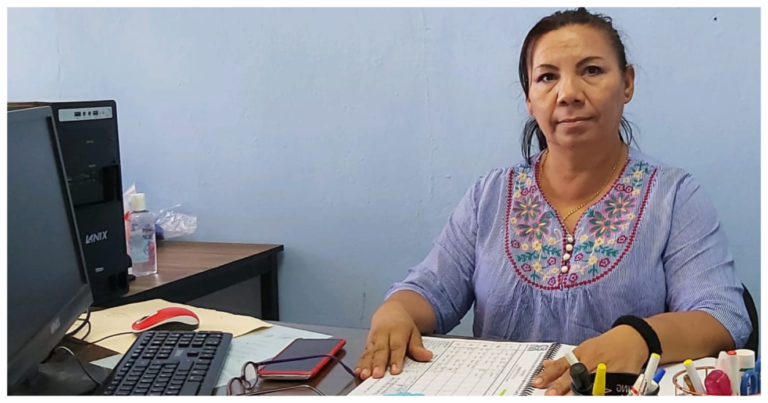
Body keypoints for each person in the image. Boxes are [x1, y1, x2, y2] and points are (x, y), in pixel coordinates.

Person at [354, 7, 752, 396]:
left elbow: (722, 315)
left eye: (592, 71)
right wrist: (397, 311)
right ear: (530, 98)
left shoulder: (674, 195)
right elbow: (429, 290)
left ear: (627, 83)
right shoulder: (491, 194)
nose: (568, 94)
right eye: (547, 77)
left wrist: (642, 336)